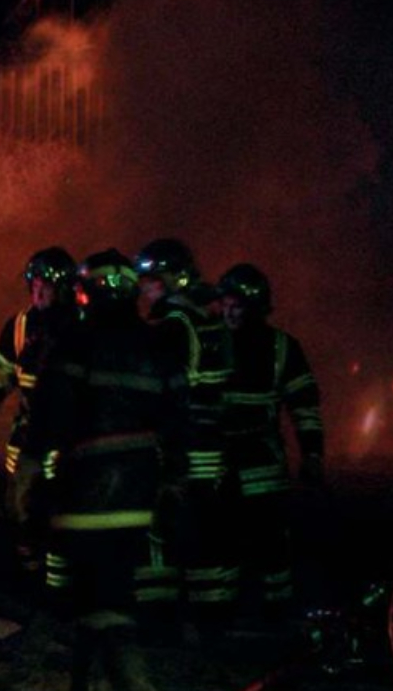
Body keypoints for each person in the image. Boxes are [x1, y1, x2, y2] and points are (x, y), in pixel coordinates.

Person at [30, 248, 191, 691]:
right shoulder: (159, 346)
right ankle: (87, 681)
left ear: (88, 293)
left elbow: (48, 416)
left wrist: (29, 477)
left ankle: (132, 681)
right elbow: (179, 420)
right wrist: (175, 482)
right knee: (103, 596)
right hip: (137, 499)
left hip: (83, 499)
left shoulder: (75, 342)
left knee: (101, 602)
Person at [135, 237, 238, 636]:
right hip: (211, 445)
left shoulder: (173, 323)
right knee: (205, 534)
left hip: (181, 446)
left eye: (151, 281)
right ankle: (212, 619)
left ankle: (158, 620)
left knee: (160, 530)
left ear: (172, 279)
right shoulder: (207, 318)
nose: (145, 289)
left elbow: (161, 387)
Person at [217, 263, 324, 620]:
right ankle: (223, 613)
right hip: (215, 459)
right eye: (225, 304)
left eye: (237, 305)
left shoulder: (282, 347)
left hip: (261, 460)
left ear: (256, 307)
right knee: (219, 538)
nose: (229, 312)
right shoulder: (208, 341)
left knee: (270, 541)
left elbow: (304, 407)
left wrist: (312, 455)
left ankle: (277, 612)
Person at [0, 246, 80, 581]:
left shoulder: (82, 326)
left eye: (45, 286)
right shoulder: (20, 325)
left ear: (63, 288)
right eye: (33, 285)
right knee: (21, 509)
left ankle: (59, 578)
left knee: (64, 509)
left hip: (71, 436)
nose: (37, 292)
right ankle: (31, 577)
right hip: (29, 435)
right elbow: (4, 367)